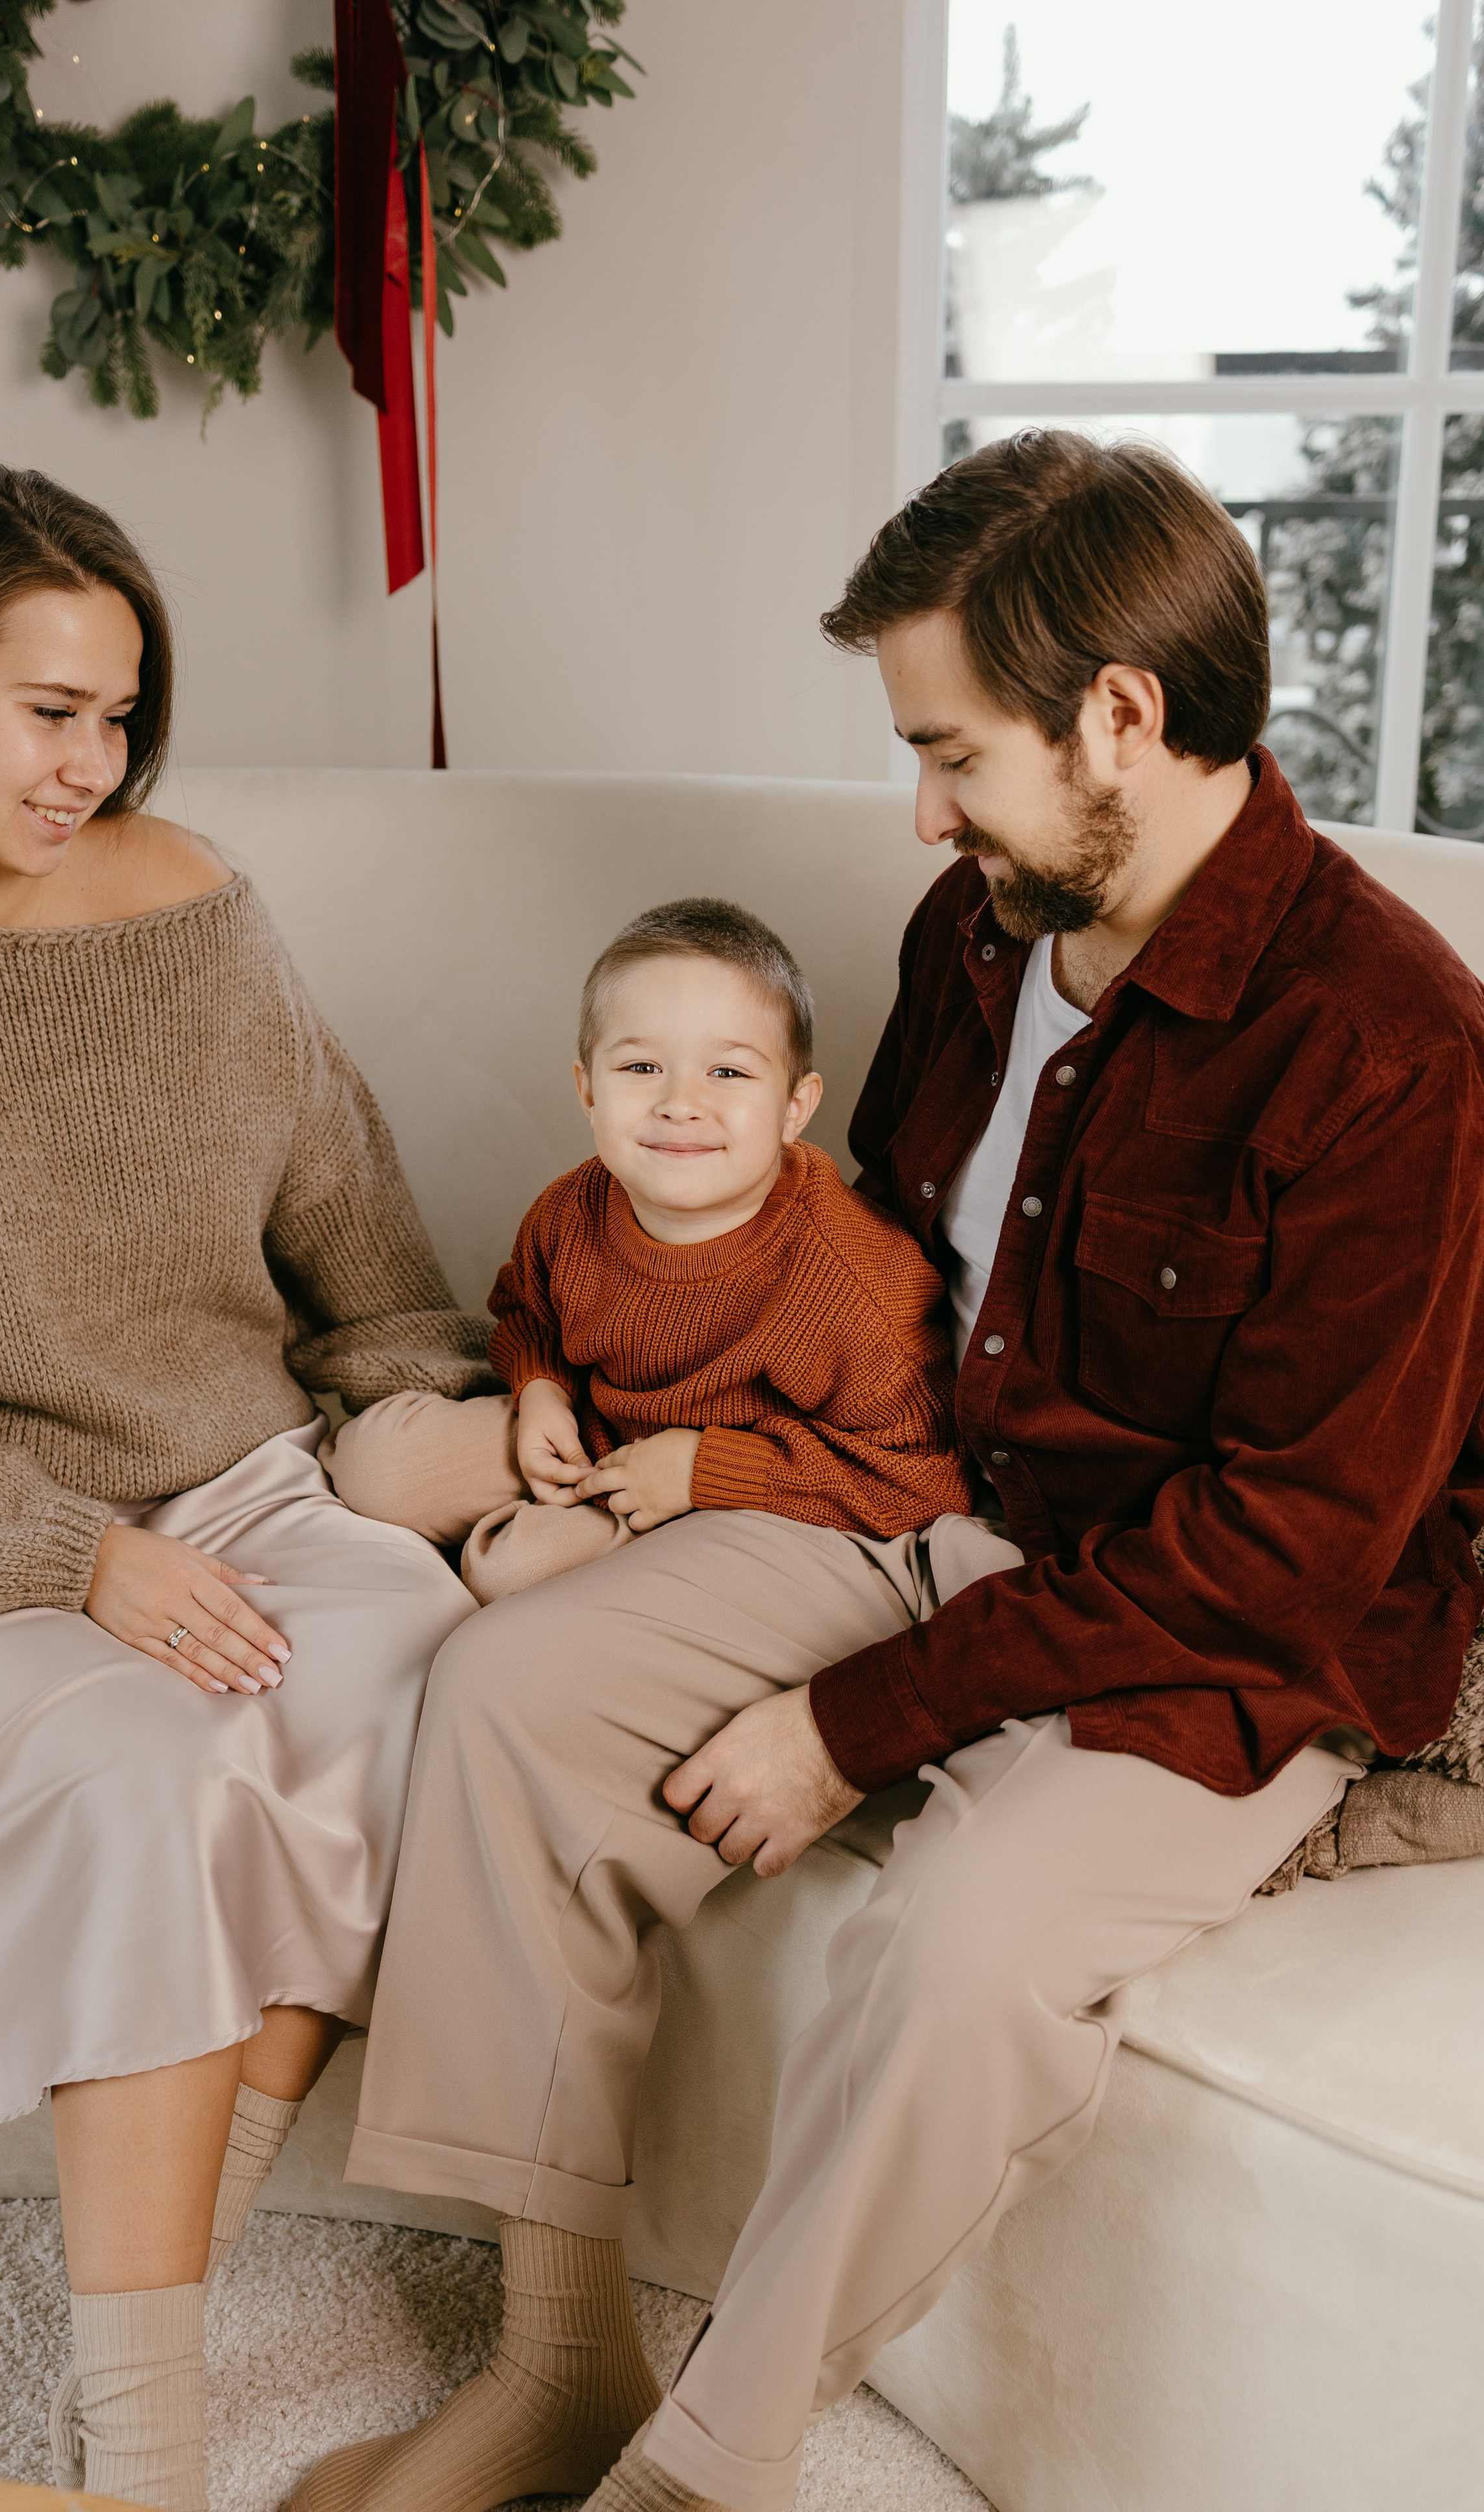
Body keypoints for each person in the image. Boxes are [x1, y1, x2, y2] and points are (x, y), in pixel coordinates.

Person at [288, 429, 1484, 2512]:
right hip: (923, 1503)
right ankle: (554, 2364)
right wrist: (641, 1425)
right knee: (503, 1694)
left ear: (1123, 714)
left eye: (950, 754)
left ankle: (703, 2472)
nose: (923, 811)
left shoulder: (1392, 1047)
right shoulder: (982, 929)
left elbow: (1286, 1551)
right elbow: (867, 1277)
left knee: (959, 1944)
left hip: (1209, 1640)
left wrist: (855, 1720)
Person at [0, 461, 494, 2512]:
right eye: (48, 711)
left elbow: (368, 1258)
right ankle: (156, 2459)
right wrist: (69, 1555)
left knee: (431, 1667)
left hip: (242, 1489)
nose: (90, 765)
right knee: (151, 1761)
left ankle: (129, 2370)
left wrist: (428, 1454)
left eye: (118, 717)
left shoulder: (193, 906)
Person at [328, 896, 971, 1598]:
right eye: (640, 1068)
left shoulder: (852, 1280)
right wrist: (540, 1389)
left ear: (795, 1107)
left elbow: (928, 1480)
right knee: (372, 1464)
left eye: (727, 1073)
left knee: (510, 1570)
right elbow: (531, 1313)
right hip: (596, 1432)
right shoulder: (573, 1208)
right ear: (588, 1092)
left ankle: (586, 1551)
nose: (679, 1103)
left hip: (744, 1492)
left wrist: (705, 1472)